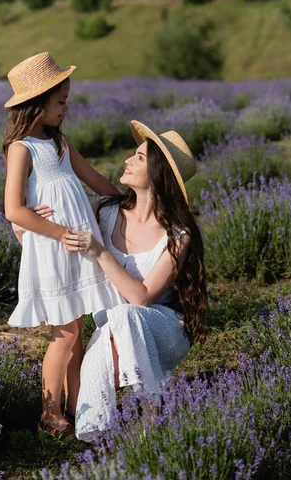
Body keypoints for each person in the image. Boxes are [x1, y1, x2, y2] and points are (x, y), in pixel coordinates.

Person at [61, 120, 208, 441]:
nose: (127, 160)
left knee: (125, 313)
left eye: (139, 157)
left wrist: (100, 252)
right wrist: (26, 224)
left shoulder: (177, 235)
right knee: (100, 352)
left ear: (158, 174)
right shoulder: (108, 213)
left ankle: (152, 410)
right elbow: (64, 237)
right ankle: (97, 440)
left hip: (163, 332)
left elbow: (141, 299)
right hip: (111, 329)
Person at [3, 52, 124, 439]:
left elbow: (93, 178)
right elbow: (13, 210)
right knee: (65, 333)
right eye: (60, 102)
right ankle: (49, 411)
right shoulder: (22, 148)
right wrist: (57, 232)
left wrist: (127, 202)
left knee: (77, 326)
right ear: (37, 105)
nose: (66, 108)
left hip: (78, 244)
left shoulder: (59, 142)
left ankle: (75, 406)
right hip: (56, 246)